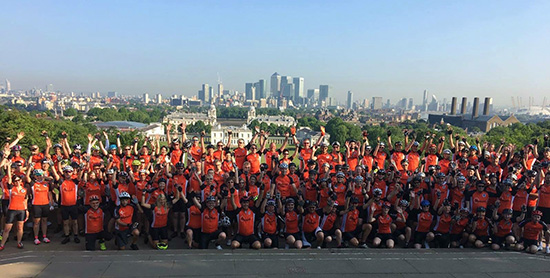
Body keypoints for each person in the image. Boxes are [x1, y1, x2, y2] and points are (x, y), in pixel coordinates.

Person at [0, 164, 29, 251]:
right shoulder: (11, 188)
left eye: (18, 180)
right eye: (15, 181)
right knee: (7, 228)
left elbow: (25, 201)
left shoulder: (24, 190)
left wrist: (26, 210)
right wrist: (9, 167)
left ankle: (19, 242)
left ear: (21, 181)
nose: (17, 182)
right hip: (12, 210)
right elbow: (9, 177)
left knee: (20, 227)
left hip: (21, 210)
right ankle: (2, 244)